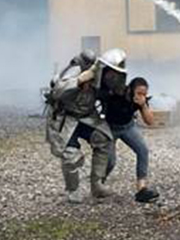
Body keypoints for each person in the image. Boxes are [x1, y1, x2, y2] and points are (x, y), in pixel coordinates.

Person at [48, 48, 127, 203]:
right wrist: (79, 80)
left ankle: (97, 184)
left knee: (103, 139)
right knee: (71, 156)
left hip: (87, 117)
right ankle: (73, 191)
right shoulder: (75, 70)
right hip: (65, 118)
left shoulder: (103, 75)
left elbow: (107, 94)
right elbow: (57, 91)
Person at [103, 77, 160, 203]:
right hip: (110, 128)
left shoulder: (141, 101)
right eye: (139, 93)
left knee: (143, 151)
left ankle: (142, 189)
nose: (141, 96)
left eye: (144, 94)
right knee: (110, 161)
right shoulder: (118, 94)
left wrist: (143, 105)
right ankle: (98, 184)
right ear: (131, 90)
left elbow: (150, 122)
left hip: (128, 127)